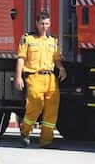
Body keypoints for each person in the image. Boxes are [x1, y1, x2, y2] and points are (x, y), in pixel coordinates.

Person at [14, 10, 67, 148]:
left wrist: (61, 68)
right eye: (42, 23)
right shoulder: (28, 39)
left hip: (50, 78)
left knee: (52, 109)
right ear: (37, 24)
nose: (44, 26)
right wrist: (18, 77)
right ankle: (25, 131)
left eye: (47, 23)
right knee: (35, 105)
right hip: (34, 77)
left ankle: (46, 140)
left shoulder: (53, 41)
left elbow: (57, 59)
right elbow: (21, 59)